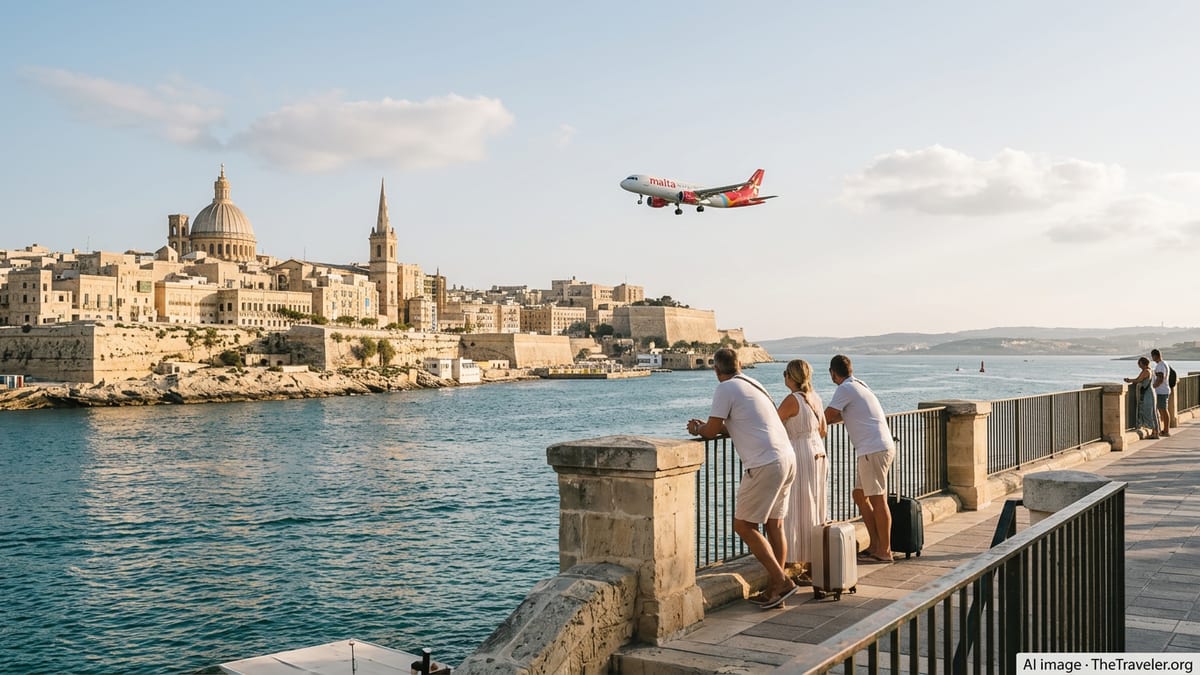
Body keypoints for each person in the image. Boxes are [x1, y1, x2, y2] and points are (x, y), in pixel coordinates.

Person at [687, 347, 798, 608]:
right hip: (786, 457)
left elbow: (712, 431)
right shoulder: (754, 384)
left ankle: (781, 582)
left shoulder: (724, 389)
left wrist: (697, 428)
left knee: (744, 526)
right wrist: (713, 427)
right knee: (775, 525)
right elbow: (743, 423)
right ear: (739, 365)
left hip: (764, 463)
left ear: (716, 369)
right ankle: (775, 590)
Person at [824, 354, 896, 563]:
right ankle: (875, 544)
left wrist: (805, 422)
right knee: (859, 495)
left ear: (832, 373)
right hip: (877, 447)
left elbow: (828, 415)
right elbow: (841, 415)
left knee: (878, 499)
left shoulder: (844, 389)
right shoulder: (859, 385)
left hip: (872, 450)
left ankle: (885, 550)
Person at [776, 359, 828, 583]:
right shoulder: (815, 397)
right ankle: (814, 563)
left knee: (796, 508)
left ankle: (792, 561)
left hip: (800, 453)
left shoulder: (792, 400)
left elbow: (772, 426)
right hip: (819, 452)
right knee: (816, 507)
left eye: (785, 373)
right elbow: (824, 430)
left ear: (790, 377)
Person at [1124, 357, 1159, 438]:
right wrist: (1131, 380)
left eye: (1139, 363)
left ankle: (1155, 432)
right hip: (1150, 392)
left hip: (1148, 394)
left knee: (1149, 412)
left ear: (1142, 363)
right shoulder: (1149, 370)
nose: (1138, 365)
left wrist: (1129, 381)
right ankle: (1155, 432)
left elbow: (1138, 380)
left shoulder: (1146, 371)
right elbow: (1138, 379)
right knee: (1152, 412)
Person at [1151, 349, 1172, 437]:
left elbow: (1160, 378)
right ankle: (1163, 429)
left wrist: (1152, 387)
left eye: (1152, 356)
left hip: (1161, 391)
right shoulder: (1164, 363)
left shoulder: (1160, 365)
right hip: (1163, 390)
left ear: (1155, 356)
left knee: (1163, 410)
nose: (1152, 358)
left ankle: (1166, 430)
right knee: (1162, 410)